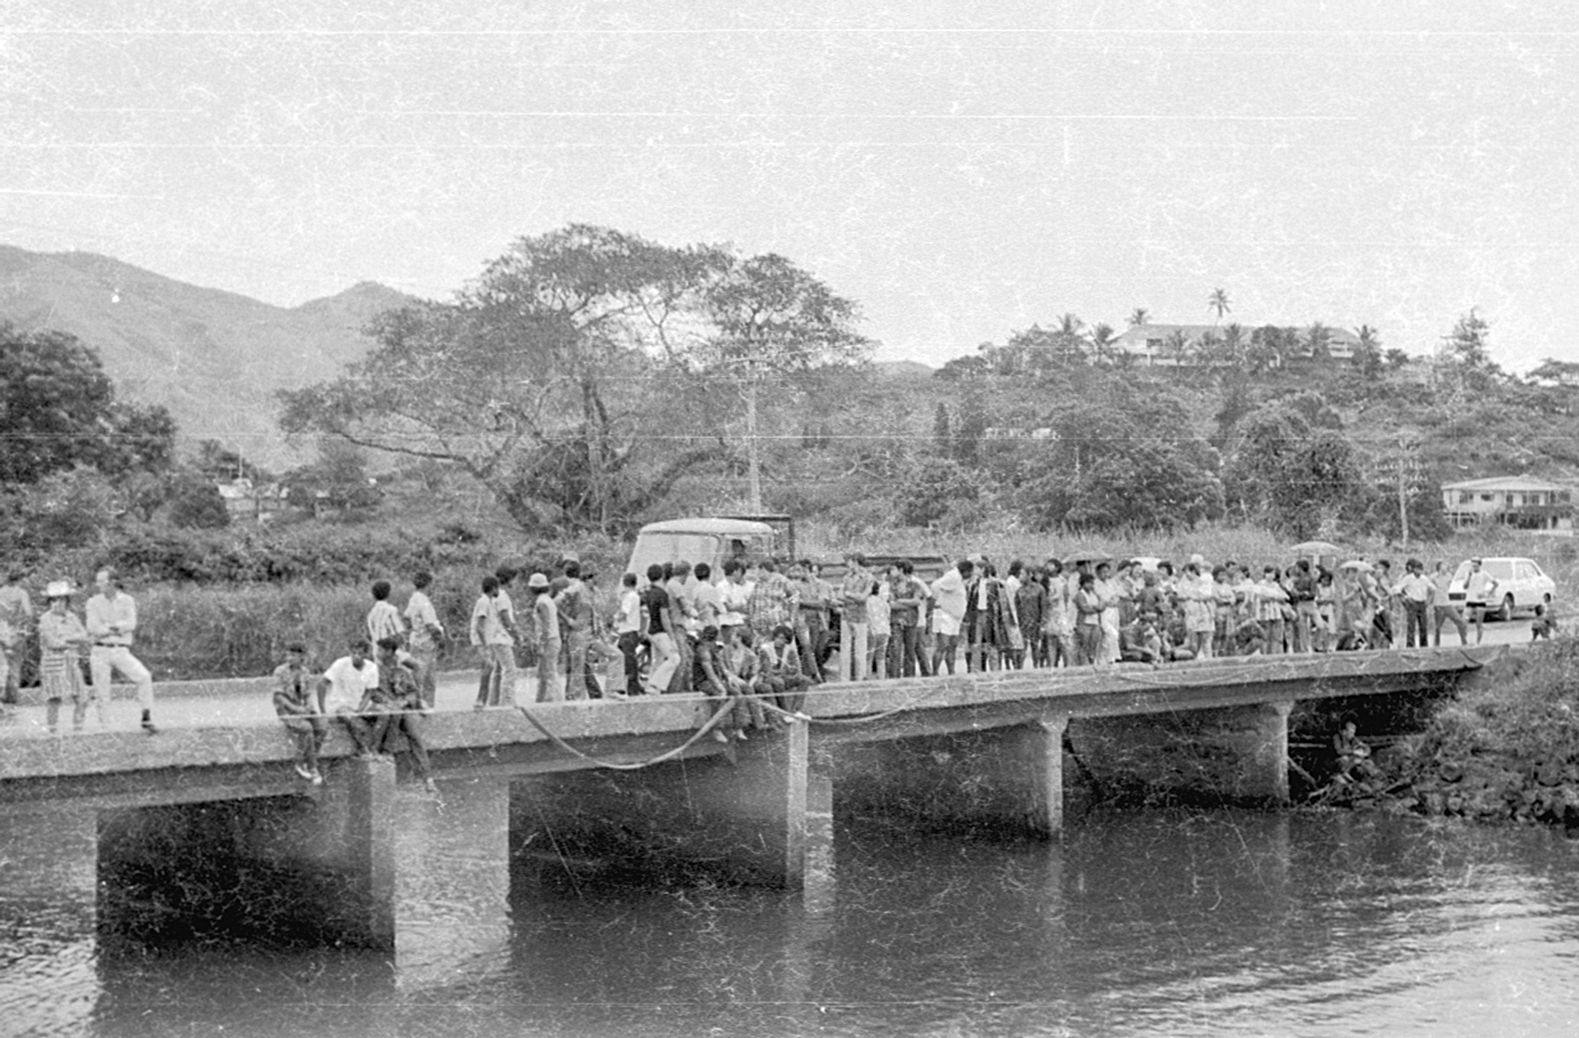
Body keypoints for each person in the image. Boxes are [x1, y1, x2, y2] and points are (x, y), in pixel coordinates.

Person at [84, 567, 157, 733]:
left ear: (113, 582)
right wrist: (116, 628)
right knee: (102, 691)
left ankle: (146, 715)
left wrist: (109, 628)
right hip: (100, 650)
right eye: (98, 581)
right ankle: (106, 728)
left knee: (144, 677)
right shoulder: (93, 602)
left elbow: (131, 624)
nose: (99, 585)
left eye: (102, 581)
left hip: (120, 649)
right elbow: (92, 627)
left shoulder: (127, 600)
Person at [366, 636, 438, 795]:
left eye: (381, 650)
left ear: (390, 652)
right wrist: (386, 702)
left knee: (415, 736)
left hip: (400, 709)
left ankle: (426, 777)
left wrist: (404, 702)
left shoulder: (402, 671)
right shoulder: (373, 670)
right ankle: (382, 753)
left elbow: (413, 692)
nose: (377, 653)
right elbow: (372, 692)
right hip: (384, 708)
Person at [37, 580, 91, 733]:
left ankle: (78, 730)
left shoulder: (71, 617)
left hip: (70, 662)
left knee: (82, 697)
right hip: (52, 663)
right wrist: (71, 640)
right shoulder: (45, 619)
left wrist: (66, 639)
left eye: (61, 599)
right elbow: (53, 643)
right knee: (54, 699)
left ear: (67, 601)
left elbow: (83, 635)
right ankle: (52, 731)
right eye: (53, 599)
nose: (57, 603)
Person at [317, 638, 381, 756]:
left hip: (360, 705)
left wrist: (360, 709)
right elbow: (321, 684)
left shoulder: (372, 667)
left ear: (366, 654)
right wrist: (323, 711)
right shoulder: (341, 664)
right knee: (352, 719)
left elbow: (370, 691)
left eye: (360, 653)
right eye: (353, 653)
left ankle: (379, 748)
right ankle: (363, 749)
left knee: (385, 714)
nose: (356, 656)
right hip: (340, 705)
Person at [273, 642, 325, 784]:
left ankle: (311, 758)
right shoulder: (280, 671)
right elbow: (279, 696)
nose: (290, 658)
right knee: (306, 728)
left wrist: (309, 705)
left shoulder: (305, 672)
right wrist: (295, 709)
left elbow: (307, 693)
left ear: (302, 657)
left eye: (294, 655)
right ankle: (303, 763)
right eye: (288, 654)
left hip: (301, 708)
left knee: (321, 727)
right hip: (287, 710)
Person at [469, 574, 518, 708]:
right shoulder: (484, 602)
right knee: (487, 668)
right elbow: (479, 626)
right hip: (482, 641)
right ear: (493, 588)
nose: (499, 591)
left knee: (488, 668)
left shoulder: (489, 601)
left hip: (487, 640)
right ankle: (481, 700)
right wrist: (485, 645)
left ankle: (482, 701)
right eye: (497, 588)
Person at [403, 571, 445, 709]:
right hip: (426, 644)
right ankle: (426, 708)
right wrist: (441, 641)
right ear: (428, 584)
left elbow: (406, 618)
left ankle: (418, 707)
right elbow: (430, 626)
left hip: (416, 641)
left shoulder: (413, 599)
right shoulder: (424, 602)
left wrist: (415, 630)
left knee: (417, 677)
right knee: (428, 680)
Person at [555, 561, 594, 700]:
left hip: (576, 630)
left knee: (576, 665)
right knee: (578, 665)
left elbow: (556, 602)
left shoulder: (574, 588)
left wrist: (565, 617)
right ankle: (576, 695)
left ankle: (574, 695)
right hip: (582, 629)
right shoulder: (580, 588)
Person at [641, 564, 680, 694]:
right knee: (674, 658)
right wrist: (672, 638)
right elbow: (665, 617)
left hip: (650, 631)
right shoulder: (662, 594)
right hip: (660, 632)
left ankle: (651, 687)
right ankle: (654, 684)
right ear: (662, 576)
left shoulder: (648, 593)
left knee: (657, 660)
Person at [526, 572, 564, 702]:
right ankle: (541, 700)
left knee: (550, 672)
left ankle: (556, 700)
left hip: (549, 641)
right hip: (552, 639)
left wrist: (541, 644)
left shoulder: (542, 602)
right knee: (544, 673)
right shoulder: (546, 600)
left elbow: (546, 625)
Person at [889, 561, 930, 678]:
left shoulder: (915, 585)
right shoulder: (892, 585)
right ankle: (894, 676)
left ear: (901, 570)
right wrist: (909, 604)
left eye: (894, 569)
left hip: (911, 621)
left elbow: (917, 601)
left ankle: (909, 676)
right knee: (895, 650)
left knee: (910, 650)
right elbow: (892, 604)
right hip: (896, 621)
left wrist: (901, 601)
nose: (892, 572)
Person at [929, 559, 971, 675]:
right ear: (966, 571)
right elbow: (935, 586)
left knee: (952, 646)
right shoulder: (953, 577)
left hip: (955, 617)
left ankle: (951, 671)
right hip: (945, 615)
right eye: (970, 572)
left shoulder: (959, 579)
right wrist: (939, 601)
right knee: (942, 645)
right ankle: (935, 672)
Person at [758, 624, 810, 714]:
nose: (780, 641)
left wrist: (792, 670)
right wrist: (779, 672)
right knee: (779, 682)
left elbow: (796, 666)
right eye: (778, 637)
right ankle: (785, 710)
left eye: (783, 639)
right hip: (769, 678)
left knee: (804, 680)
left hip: (784, 676)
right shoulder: (765, 649)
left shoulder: (789, 650)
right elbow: (766, 669)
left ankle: (796, 709)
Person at [0, 568, 33, 707]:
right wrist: (25, 629)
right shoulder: (21, 593)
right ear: (20, 579)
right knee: (14, 665)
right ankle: (12, 697)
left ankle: (2, 696)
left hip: (1, 631)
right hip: (16, 632)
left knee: (2, 664)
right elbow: (28, 613)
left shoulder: (1, 591)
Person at [839, 553, 872, 682]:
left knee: (860, 649)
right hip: (847, 615)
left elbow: (863, 597)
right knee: (845, 649)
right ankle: (844, 678)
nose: (848, 564)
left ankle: (860, 677)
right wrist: (854, 596)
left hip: (860, 616)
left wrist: (849, 595)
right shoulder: (846, 577)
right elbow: (840, 595)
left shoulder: (868, 578)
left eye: (850, 561)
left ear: (855, 562)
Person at [1390, 558, 1434, 649]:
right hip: (1413, 603)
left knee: (1423, 625)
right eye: (1417, 569)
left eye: (1420, 569)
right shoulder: (1408, 578)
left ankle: (1424, 644)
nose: (1419, 571)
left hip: (1422, 602)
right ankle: (1410, 644)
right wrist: (1405, 597)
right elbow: (1398, 589)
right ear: (1414, 569)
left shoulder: (1424, 579)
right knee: (1411, 625)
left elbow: (1433, 589)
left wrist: (1429, 601)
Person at [614, 572, 644, 696]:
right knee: (628, 661)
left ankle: (632, 689)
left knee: (627, 662)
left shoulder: (629, 597)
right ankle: (631, 687)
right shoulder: (636, 596)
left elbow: (623, 614)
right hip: (632, 632)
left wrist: (616, 618)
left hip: (626, 632)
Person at [1430, 561, 1469, 647]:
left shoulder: (1449, 576)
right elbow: (1431, 589)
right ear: (1439, 567)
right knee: (1437, 627)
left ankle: (1464, 641)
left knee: (1460, 622)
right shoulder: (1433, 578)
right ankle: (1436, 645)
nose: (1446, 567)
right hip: (1438, 604)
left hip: (1447, 604)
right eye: (1444, 565)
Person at [1463, 558, 1499, 645]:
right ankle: (1464, 641)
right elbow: (1465, 586)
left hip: (1480, 600)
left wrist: (1487, 593)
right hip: (1470, 600)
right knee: (1464, 621)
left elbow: (1496, 583)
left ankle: (1478, 642)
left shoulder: (1484, 574)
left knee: (1478, 623)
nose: (1474, 567)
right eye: (1472, 566)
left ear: (1479, 565)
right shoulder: (1468, 574)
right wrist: (1469, 577)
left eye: (1475, 566)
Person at [1072, 572, 1104, 666]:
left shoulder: (1095, 593)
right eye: (1088, 583)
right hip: (1084, 623)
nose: (1091, 585)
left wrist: (1096, 607)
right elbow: (1085, 608)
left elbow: (1102, 604)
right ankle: (1083, 665)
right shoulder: (1079, 595)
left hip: (1095, 622)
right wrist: (1097, 608)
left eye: (1092, 583)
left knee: (1093, 645)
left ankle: (1091, 663)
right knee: (1084, 645)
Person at [1333, 719, 1379, 784]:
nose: (1353, 735)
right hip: (1338, 761)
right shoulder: (1337, 737)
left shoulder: (1353, 739)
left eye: (1354, 732)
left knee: (1367, 762)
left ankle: (1373, 776)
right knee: (1344, 760)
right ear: (1344, 732)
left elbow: (1365, 747)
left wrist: (1364, 750)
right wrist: (1354, 752)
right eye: (1351, 732)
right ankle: (1344, 775)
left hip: (1351, 761)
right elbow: (1339, 751)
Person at [365, 580, 405, 648]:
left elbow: (368, 635)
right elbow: (398, 633)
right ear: (388, 593)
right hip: (391, 650)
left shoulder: (371, 613)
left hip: (377, 650)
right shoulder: (391, 610)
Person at [866, 578, 891, 680]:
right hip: (884, 630)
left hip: (872, 629)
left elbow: (867, 615)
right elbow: (888, 614)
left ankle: (867, 676)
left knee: (869, 656)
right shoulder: (882, 601)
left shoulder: (867, 601)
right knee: (881, 656)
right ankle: (881, 677)